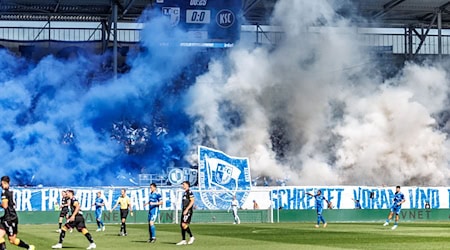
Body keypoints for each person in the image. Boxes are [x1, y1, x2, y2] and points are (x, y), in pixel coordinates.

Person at [0, 176, 35, 250]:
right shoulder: (9, 192)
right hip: (6, 218)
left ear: (3, 183)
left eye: (1, 183)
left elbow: (5, 206)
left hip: (10, 219)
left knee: (12, 240)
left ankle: (28, 247)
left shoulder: (5, 193)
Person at [176, 181, 195, 245]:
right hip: (184, 210)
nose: (182, 186)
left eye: (183, 184)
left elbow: (192, 201)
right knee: (182, 225)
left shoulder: (189, 192)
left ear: (187, 185)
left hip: (188, 211)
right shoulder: (185, 193)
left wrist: (187, 209)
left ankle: (191, 237)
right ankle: (183, 240)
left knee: (184, 224)